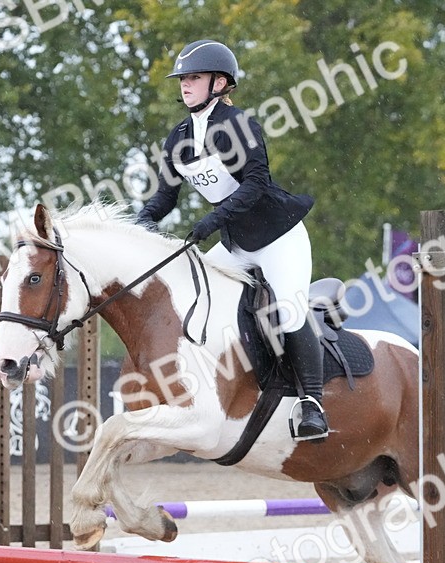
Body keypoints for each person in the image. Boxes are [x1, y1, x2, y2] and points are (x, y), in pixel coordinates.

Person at [137, 39, 328, 441]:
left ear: (220, 83)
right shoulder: (178, 139)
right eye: (183, 79)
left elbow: (256, 184)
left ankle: (312, 404)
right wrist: (138, 224)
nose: (185, 85)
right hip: (236, 241)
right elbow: (164, 198)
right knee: (201, 299)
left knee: (290, 309)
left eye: (194, 78)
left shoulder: (240, 126)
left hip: (279, 238)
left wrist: (211, 221)